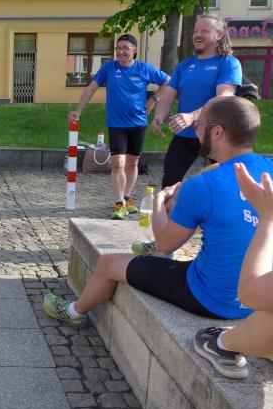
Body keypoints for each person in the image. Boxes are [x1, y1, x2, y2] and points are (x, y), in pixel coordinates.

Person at [43, 96, 272, 328]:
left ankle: (73, 312)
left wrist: (159, 202)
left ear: (217, 132)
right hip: (260, 296)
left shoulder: (202, 186)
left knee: (108, 263)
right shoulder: (267, 169)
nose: (194, 130)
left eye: (198, 124)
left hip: (212, 299)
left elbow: (165, 245)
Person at [68, 34, 169, 220]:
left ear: (134, 50)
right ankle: (119, 202)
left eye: (125, 48)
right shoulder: (109, 68)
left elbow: (168, 81)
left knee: (132, 163)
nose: (121, 51)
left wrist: (153, 100)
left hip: (139, 123)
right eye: (118, 48)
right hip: (117, 124)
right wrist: (78, 110)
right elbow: (91, 89)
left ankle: (127, 197)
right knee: (117, 164)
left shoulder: (145, 69)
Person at [193, 163, 273, 379]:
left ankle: (221, 343)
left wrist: (269, 217)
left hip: (213, 298)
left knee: (111, 263)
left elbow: (250, 295)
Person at [152, 15, 242, 188]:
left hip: (217, 135)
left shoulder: (228, 63)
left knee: (223, 184)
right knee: (169, 182)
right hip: (186, 134)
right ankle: (172, 207)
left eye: (204, 31)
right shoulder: (184, 66)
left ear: (219, 34)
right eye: (195, 31)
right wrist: (159, 115)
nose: (197, 35)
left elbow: (223, 98)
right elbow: (169, 95)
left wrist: (192, 116)